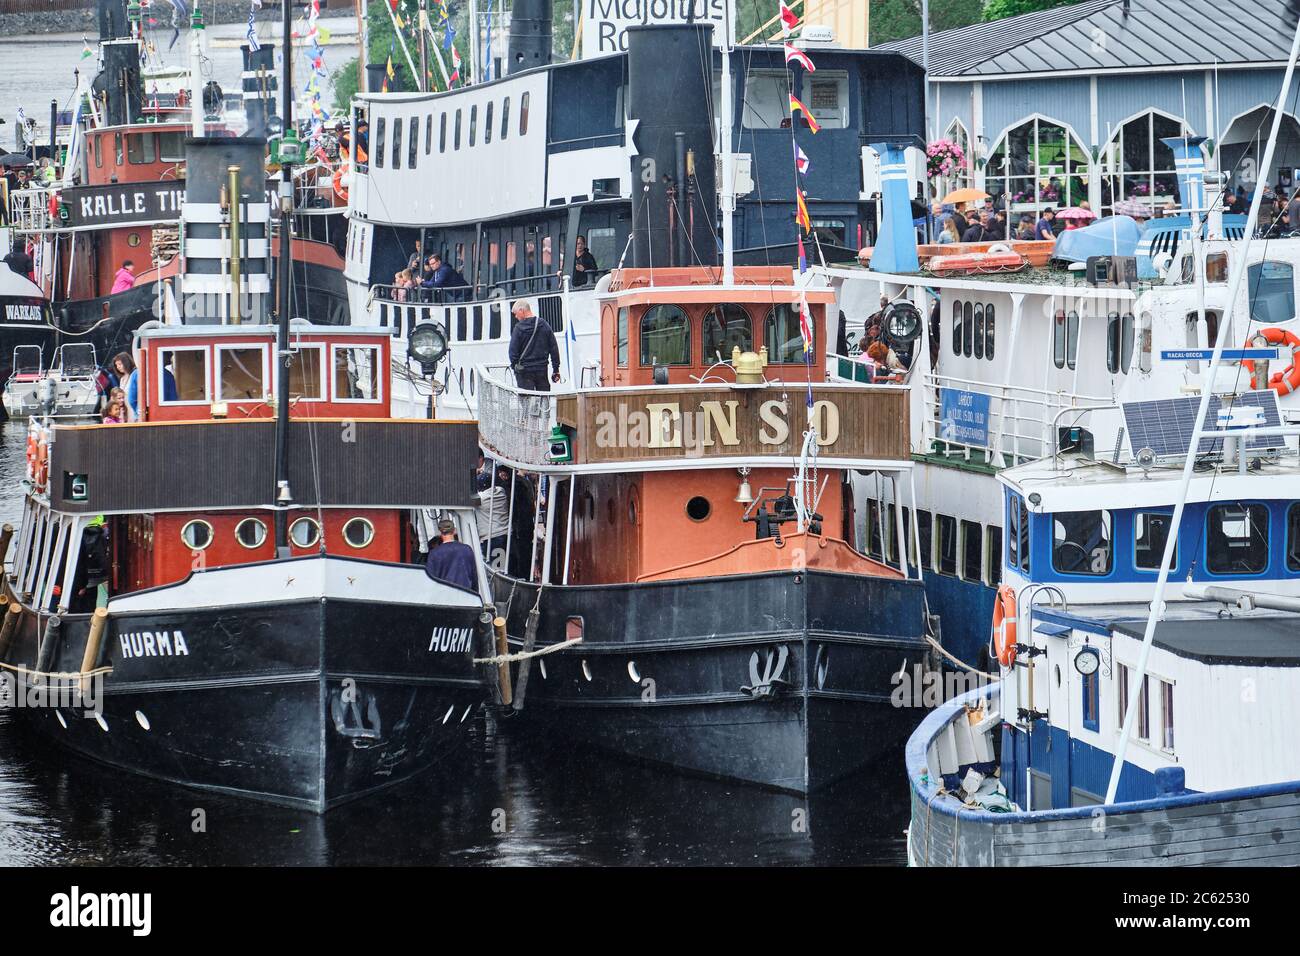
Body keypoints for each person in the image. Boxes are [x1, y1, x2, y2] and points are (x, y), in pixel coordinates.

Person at [507, 300, 561, 391]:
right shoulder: (543, 324)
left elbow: (513, 353)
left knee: (527, 402)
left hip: (524, 372)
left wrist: (515, 367)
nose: (516, 317)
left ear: (522, 310)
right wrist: (556, 369)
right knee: (544, 400)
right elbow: (553, 348)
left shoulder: (518, 328)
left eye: (516, 314)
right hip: (542, 370)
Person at [424, 518, 478, 591]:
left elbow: (430, 579)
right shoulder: (467, 549)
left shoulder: (434, 553)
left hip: (444, 596)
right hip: (466, 595)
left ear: (440, 533)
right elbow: (474, 577)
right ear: (454, 531)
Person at [476, 470, 510, 567]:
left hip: (492, 538)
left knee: (497, 569)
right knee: (506, 567)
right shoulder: (501, 491)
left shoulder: (481, 499)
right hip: (507, 535)